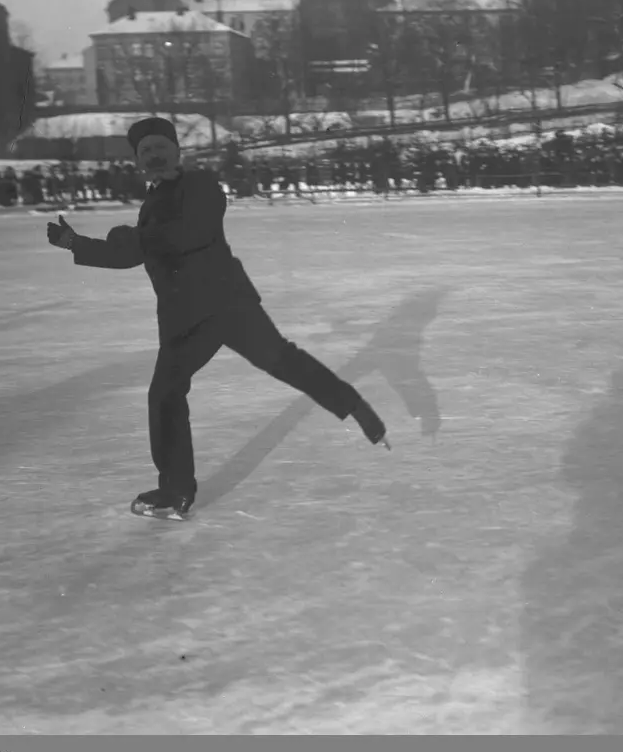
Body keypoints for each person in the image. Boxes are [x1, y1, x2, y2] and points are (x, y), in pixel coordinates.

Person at [46, 116, 388, 521]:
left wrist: (133, 237)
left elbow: (190, 233)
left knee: (279, 361)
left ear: (177, 151)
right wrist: (75, 244)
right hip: (186, 316)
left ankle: (357, 409)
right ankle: (176, 491)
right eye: (146, 152)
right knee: (168, 395)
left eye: (160, 147)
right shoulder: (152, 203)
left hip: (225, 306)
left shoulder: (201, 186)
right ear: (138, 162)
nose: (154, 155)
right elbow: (131, 255)